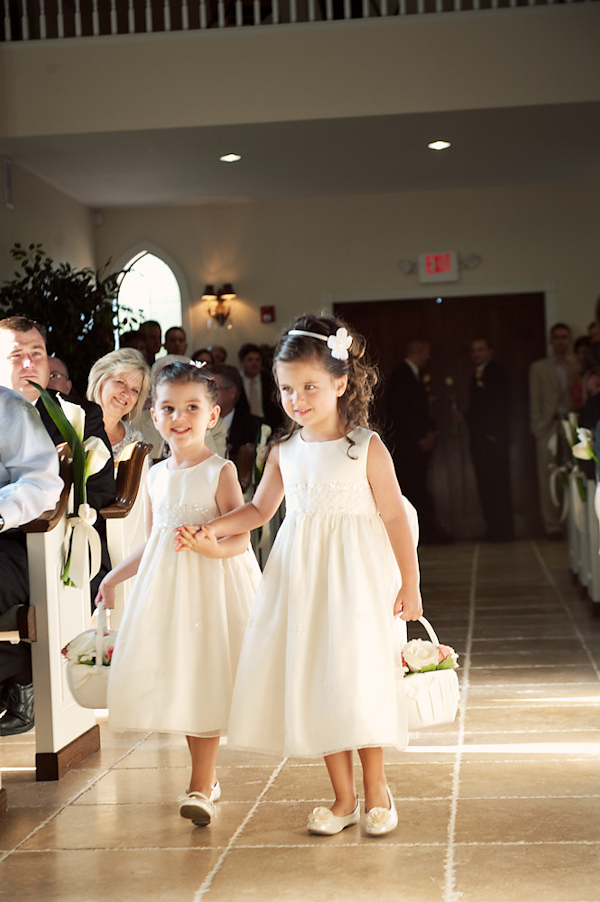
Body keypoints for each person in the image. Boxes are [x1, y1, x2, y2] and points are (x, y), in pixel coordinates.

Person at [177, 314, 422, 837]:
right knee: (319, 678)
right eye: (286, 388)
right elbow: (260, 511)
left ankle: (377, 788)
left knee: (357, 676)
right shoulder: (284, 451)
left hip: (357, 578)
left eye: (309, 386)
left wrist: (411, 582)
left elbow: (395, 515)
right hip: (303, 578)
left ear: (340, 383)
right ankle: (343, 796)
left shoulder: (365, 446)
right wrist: (213, 528)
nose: (297, 399)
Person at [94, 362, 261, 827]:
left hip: (213, 587)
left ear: (212, 415)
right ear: (154, 413)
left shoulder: (220, 470)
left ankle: (199, 783)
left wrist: (210, 545)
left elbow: (241, 537)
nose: (179, 416)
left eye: (192, 407)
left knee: (206, 675)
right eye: (168, 408)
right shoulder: (155, 474)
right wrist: (113, 578)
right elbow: (151, 543)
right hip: (170, 594)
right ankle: (204, 777)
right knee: (188, 681)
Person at [0, 315, 115, 597]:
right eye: (16, 355)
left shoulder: (79, 415)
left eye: (37, 354)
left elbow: (100, 493)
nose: (29, 363)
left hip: (64, 547)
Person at [0, 386, 63, 735]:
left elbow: (41, 483)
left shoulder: (8, 407)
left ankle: (23, 670)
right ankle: (21, 665)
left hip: (9, 541)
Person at [385, 338, 449, 543]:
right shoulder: (401, 376)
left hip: (417, 446)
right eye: (427, 352)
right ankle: (419, 535)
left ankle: (427, 532)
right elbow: (402, 413)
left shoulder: (415, 375)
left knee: (420, 488)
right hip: (408, 447)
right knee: (412, 489)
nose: (429, 357)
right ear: (418, 351)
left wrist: (431, 432)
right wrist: (420, 437)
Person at [529, 322, 577, 538]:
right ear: (551, 340)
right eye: (556, 337)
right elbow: (534, 400)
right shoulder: (539, 368)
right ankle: (552, 527)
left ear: (569, 340)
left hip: (571, 425)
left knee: (574, 473)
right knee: (548, 474)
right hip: (547, 427)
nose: (560, 341)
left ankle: (574, 525)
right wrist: (538, 427)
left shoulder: (576, 365)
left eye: (564, 337)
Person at [465, 337, 514, 541]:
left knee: (498, 484)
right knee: (486, 485)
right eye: (473, 350)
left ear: (490, 351)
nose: (476, 354)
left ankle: (503, 530)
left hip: (493, 440)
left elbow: (500, 405)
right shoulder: (477, 374)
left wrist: (493, 433)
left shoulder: (496, 372)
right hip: (480, 440)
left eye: (480, 350)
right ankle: (493, 528)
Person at [86, 348, 151, 462]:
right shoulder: (71, 425)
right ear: (100, 379)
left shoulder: (136, 441)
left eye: (135, 390)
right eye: (120, 382)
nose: (126, 394)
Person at [237, 342, 283, 431]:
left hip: (270, 425)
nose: (254, 363)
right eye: (250, 360)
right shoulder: (236, 382)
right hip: (244, 428)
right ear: (241, 362)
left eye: (258, 360)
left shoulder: (270, 380)